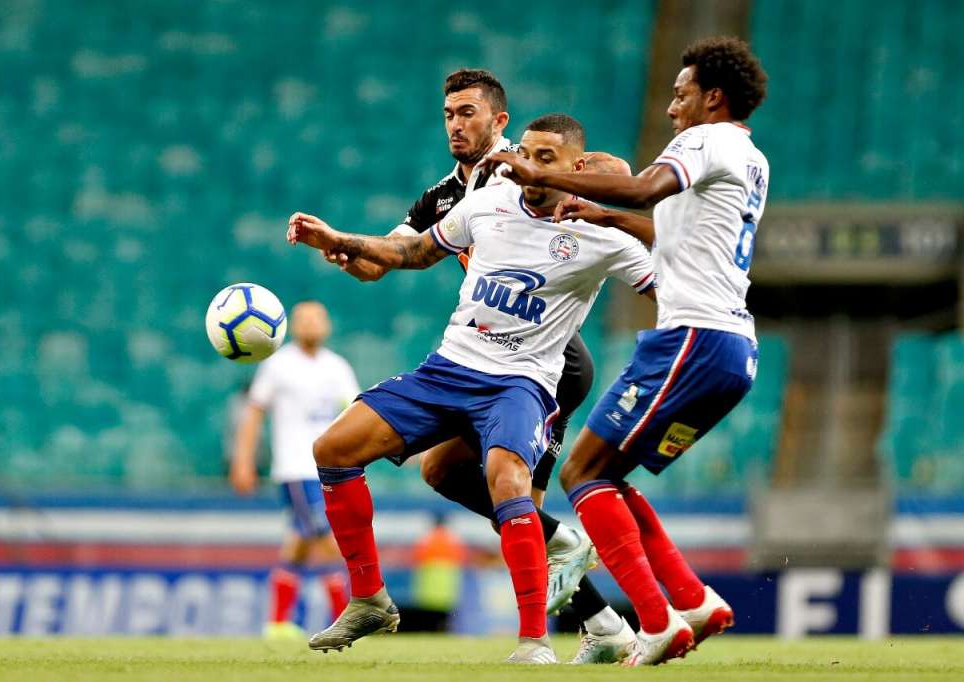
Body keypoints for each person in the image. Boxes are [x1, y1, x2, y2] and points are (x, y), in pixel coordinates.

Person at [287, 113, 656, 663]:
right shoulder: (482, 202)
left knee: (507, 481)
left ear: (578, 168)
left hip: (524, 381)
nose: (528, 164)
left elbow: (671, 290)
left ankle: (535, 641)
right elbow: (408, 254)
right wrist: (339, 239)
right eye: (526, 153)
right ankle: (370, 597)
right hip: (450, 369)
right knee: (335, 449)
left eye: (546, 157)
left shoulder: (602, 235)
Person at [489, 36, 769, 666]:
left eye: (681, 94)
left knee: (580, 473)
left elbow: (645, 190)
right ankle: (693, 600)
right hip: (731, 350)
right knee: (605, 475)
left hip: (691, 339)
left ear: (713, 98)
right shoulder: (750, 156)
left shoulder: (704, 139)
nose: (673, 109)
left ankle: (655, 620)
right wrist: (604, 217)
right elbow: (676, 232)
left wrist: (537, 171)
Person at [230, 301, 360, 638]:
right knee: (325, 537)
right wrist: (243, 460)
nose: (310, 324)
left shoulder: (337, 367)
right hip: (296, 467)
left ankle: (276, 623)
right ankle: (345, 616)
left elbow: (355, 412)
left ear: (327, 325)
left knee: (300, 543)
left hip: (328, 469)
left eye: (317, 317)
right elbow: (255, 411)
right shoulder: (278, 365)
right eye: (303, 319)